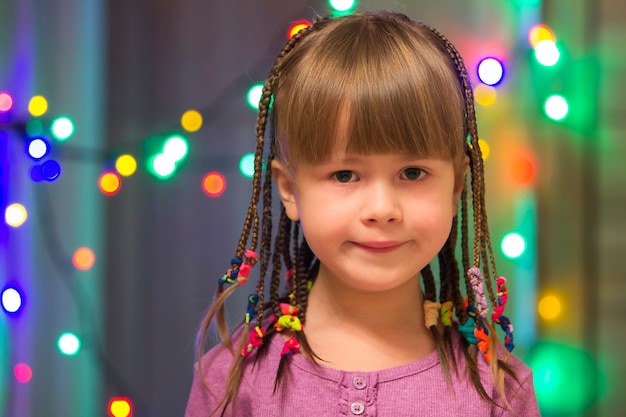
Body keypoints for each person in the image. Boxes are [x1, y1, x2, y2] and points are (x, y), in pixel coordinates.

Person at [185, 11, 540, 417]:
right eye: (344, 174)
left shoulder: (499, 390)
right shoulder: (232, 379)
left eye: (412, 172)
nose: (381, 209)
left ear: (457, 184)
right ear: (290, 190)